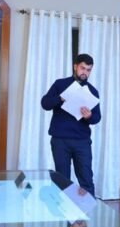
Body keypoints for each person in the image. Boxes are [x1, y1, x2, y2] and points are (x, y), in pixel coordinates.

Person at [41, 53, 101, 196]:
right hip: (60, 140)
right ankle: (63, 209)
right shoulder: (60, 84)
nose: (85, 72)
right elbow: (45, 104)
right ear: (75, 67)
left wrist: (89, 116)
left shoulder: (92, 91)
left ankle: (88, 209)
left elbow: (97, 118)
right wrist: (60, 98)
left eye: (88, 70)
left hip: (82, 142)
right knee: (62, 180)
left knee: (86, 179)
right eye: (82, 68)